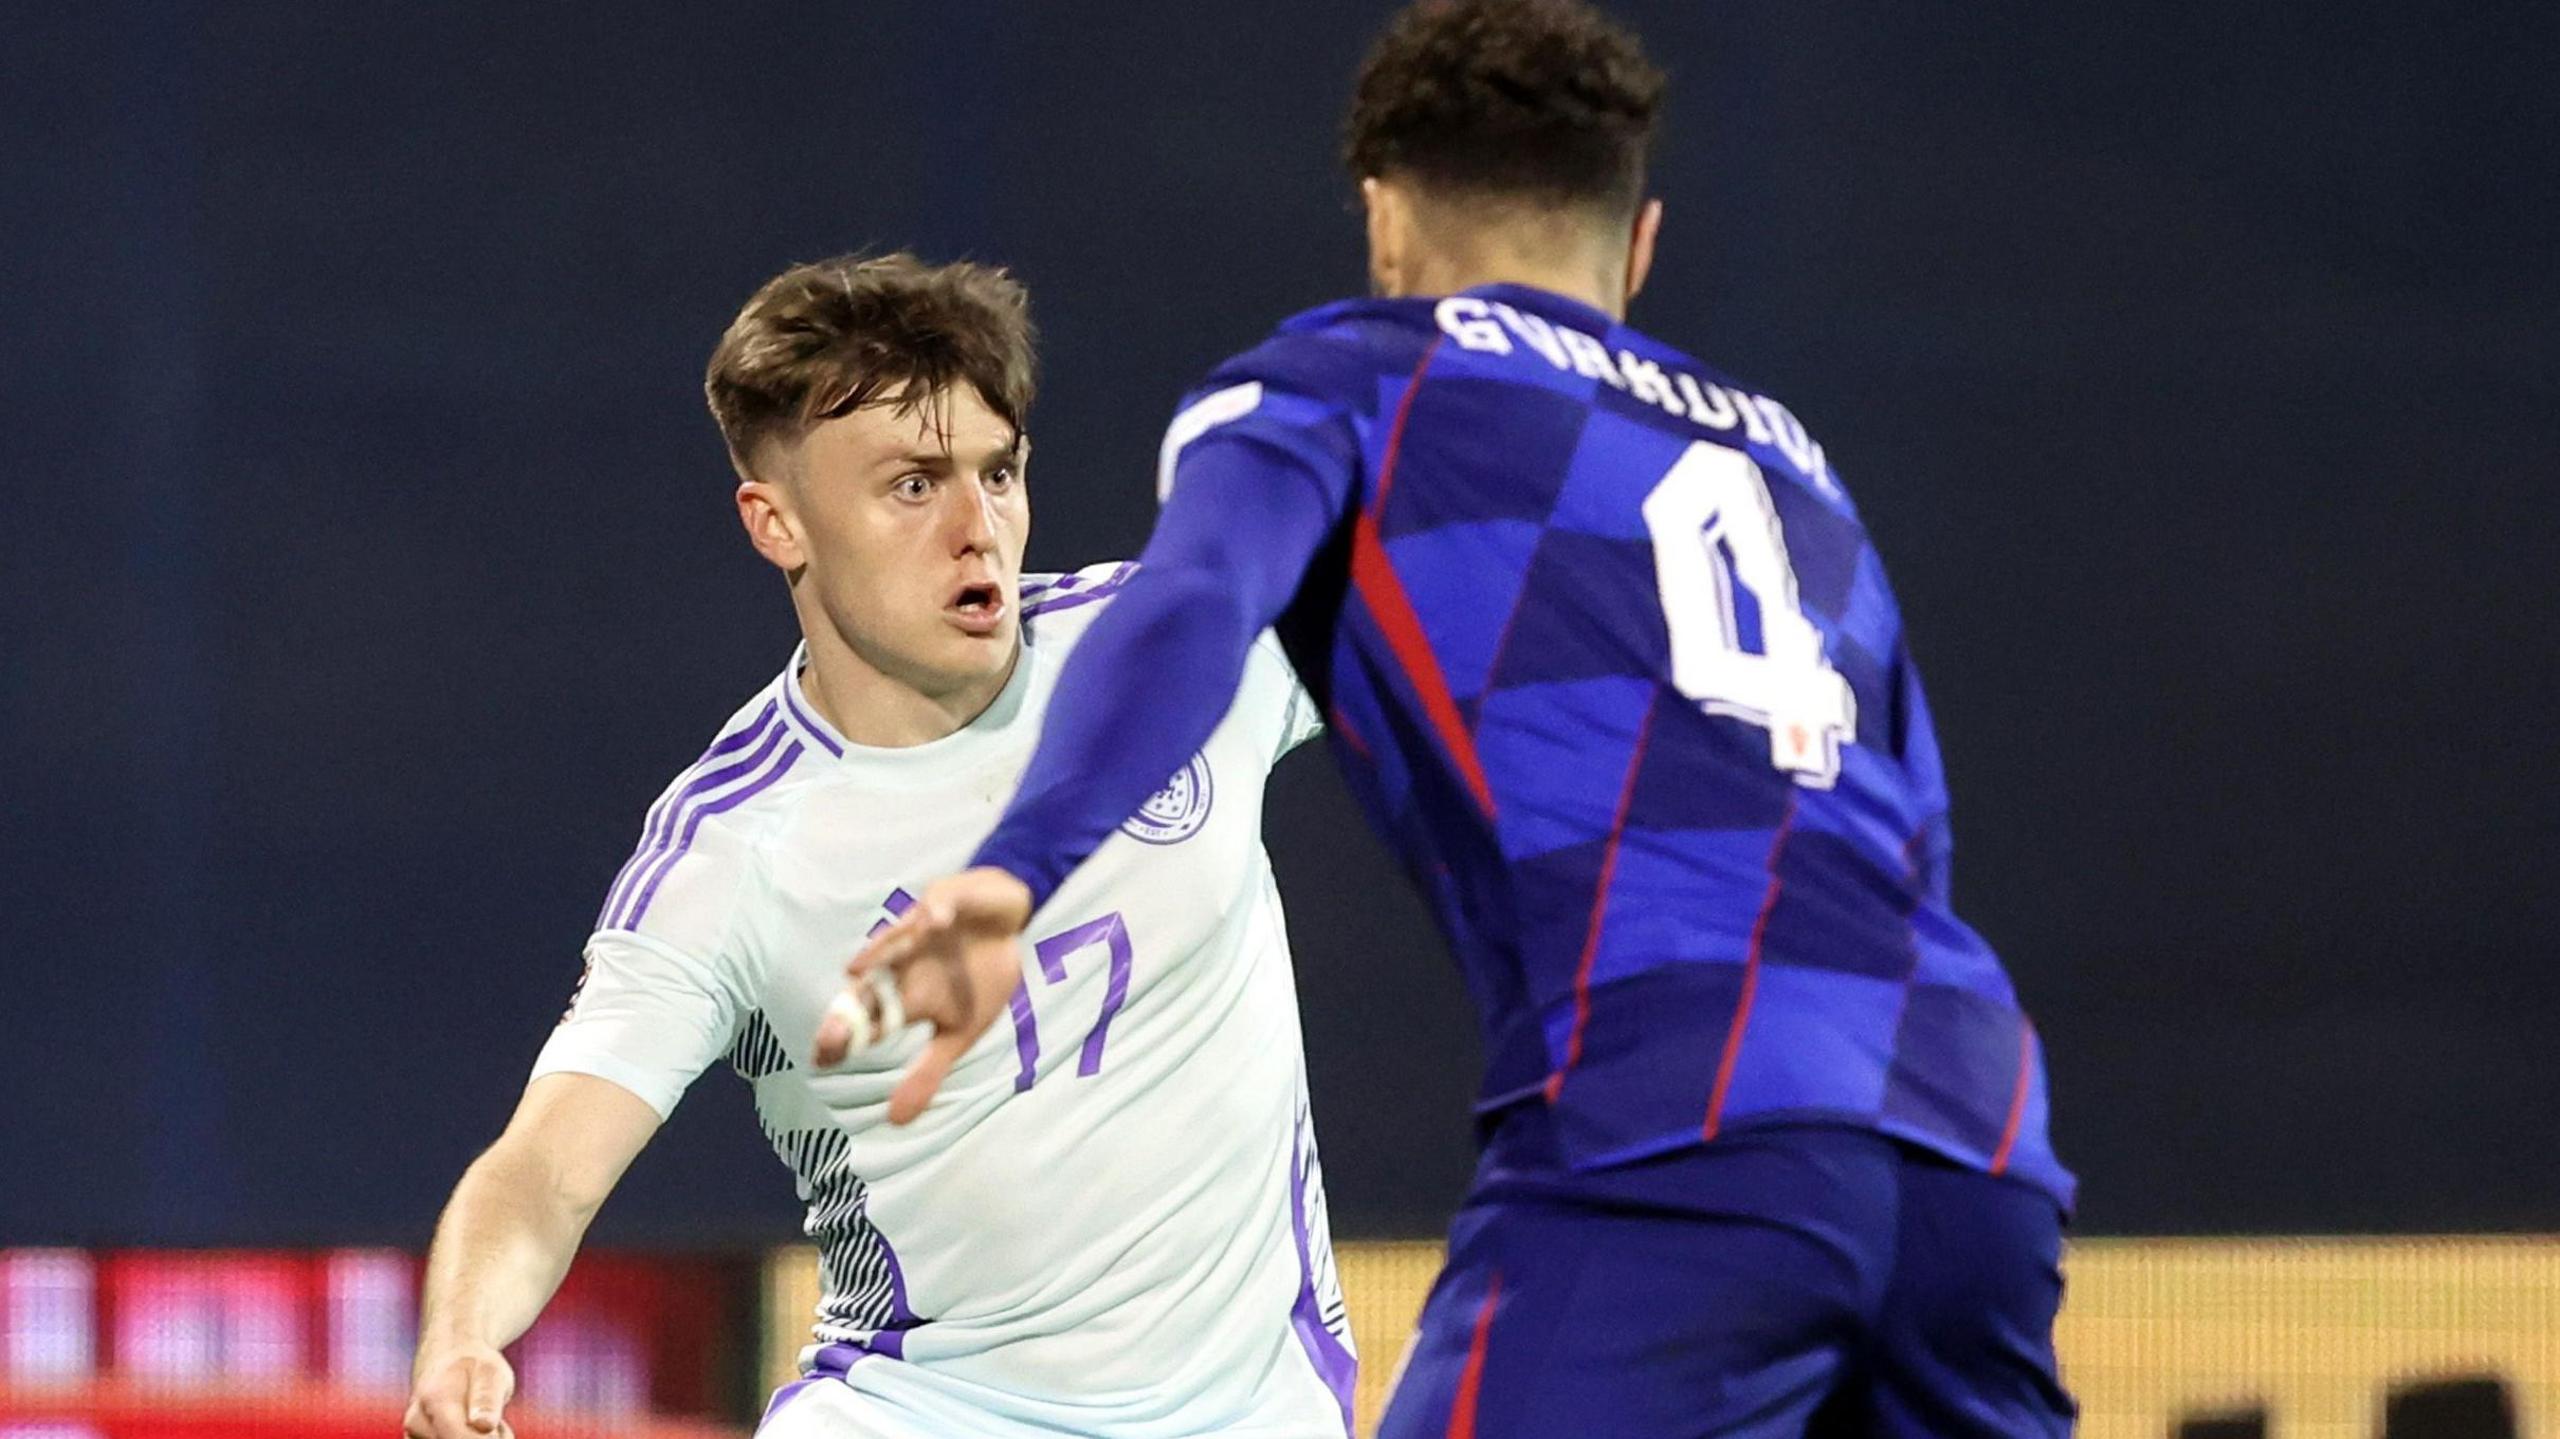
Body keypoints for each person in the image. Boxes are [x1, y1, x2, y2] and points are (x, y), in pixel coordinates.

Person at [840, 3, 2078, 1435]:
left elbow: (1189, 603)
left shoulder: (1346, 376)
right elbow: (1912, 832)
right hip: (1972, 1139)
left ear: (1383, 219)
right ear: (1641, 240)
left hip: (1684, 1123)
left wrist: (1015, 869)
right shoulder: (1796, 468)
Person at [404, 253, 1356, 1439]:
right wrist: (459, 1336)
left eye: (997, 472)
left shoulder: (1173, 654)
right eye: (913, 485)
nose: (977, 528)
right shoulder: (730, 851)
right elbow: (547, 1169)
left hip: (1252, 1414)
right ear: (778, 523)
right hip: (918, 1408)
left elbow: (1481, 615)